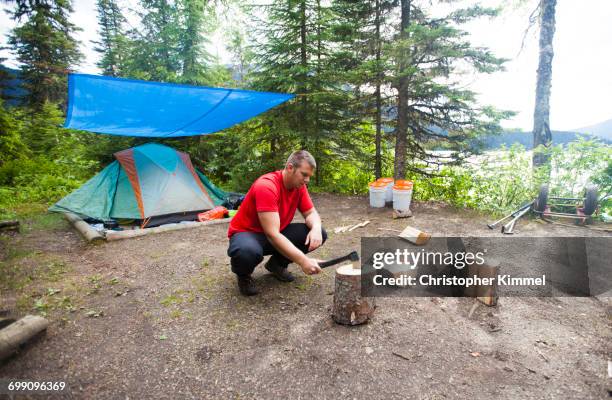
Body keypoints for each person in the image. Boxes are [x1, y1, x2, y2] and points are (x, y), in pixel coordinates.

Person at [227, 150, 327, 296]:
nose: (307, 180)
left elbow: (311, 213)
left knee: (319, 233)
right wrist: (303, 261)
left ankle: (277, 265)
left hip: (275, 233)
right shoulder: (267, 186)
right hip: (248, 233)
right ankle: (244, 275)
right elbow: (272, 234)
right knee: (246, 252)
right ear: (290, 168)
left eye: (309, 176)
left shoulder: (299, 187)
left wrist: (316, 227)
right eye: (304, 174)